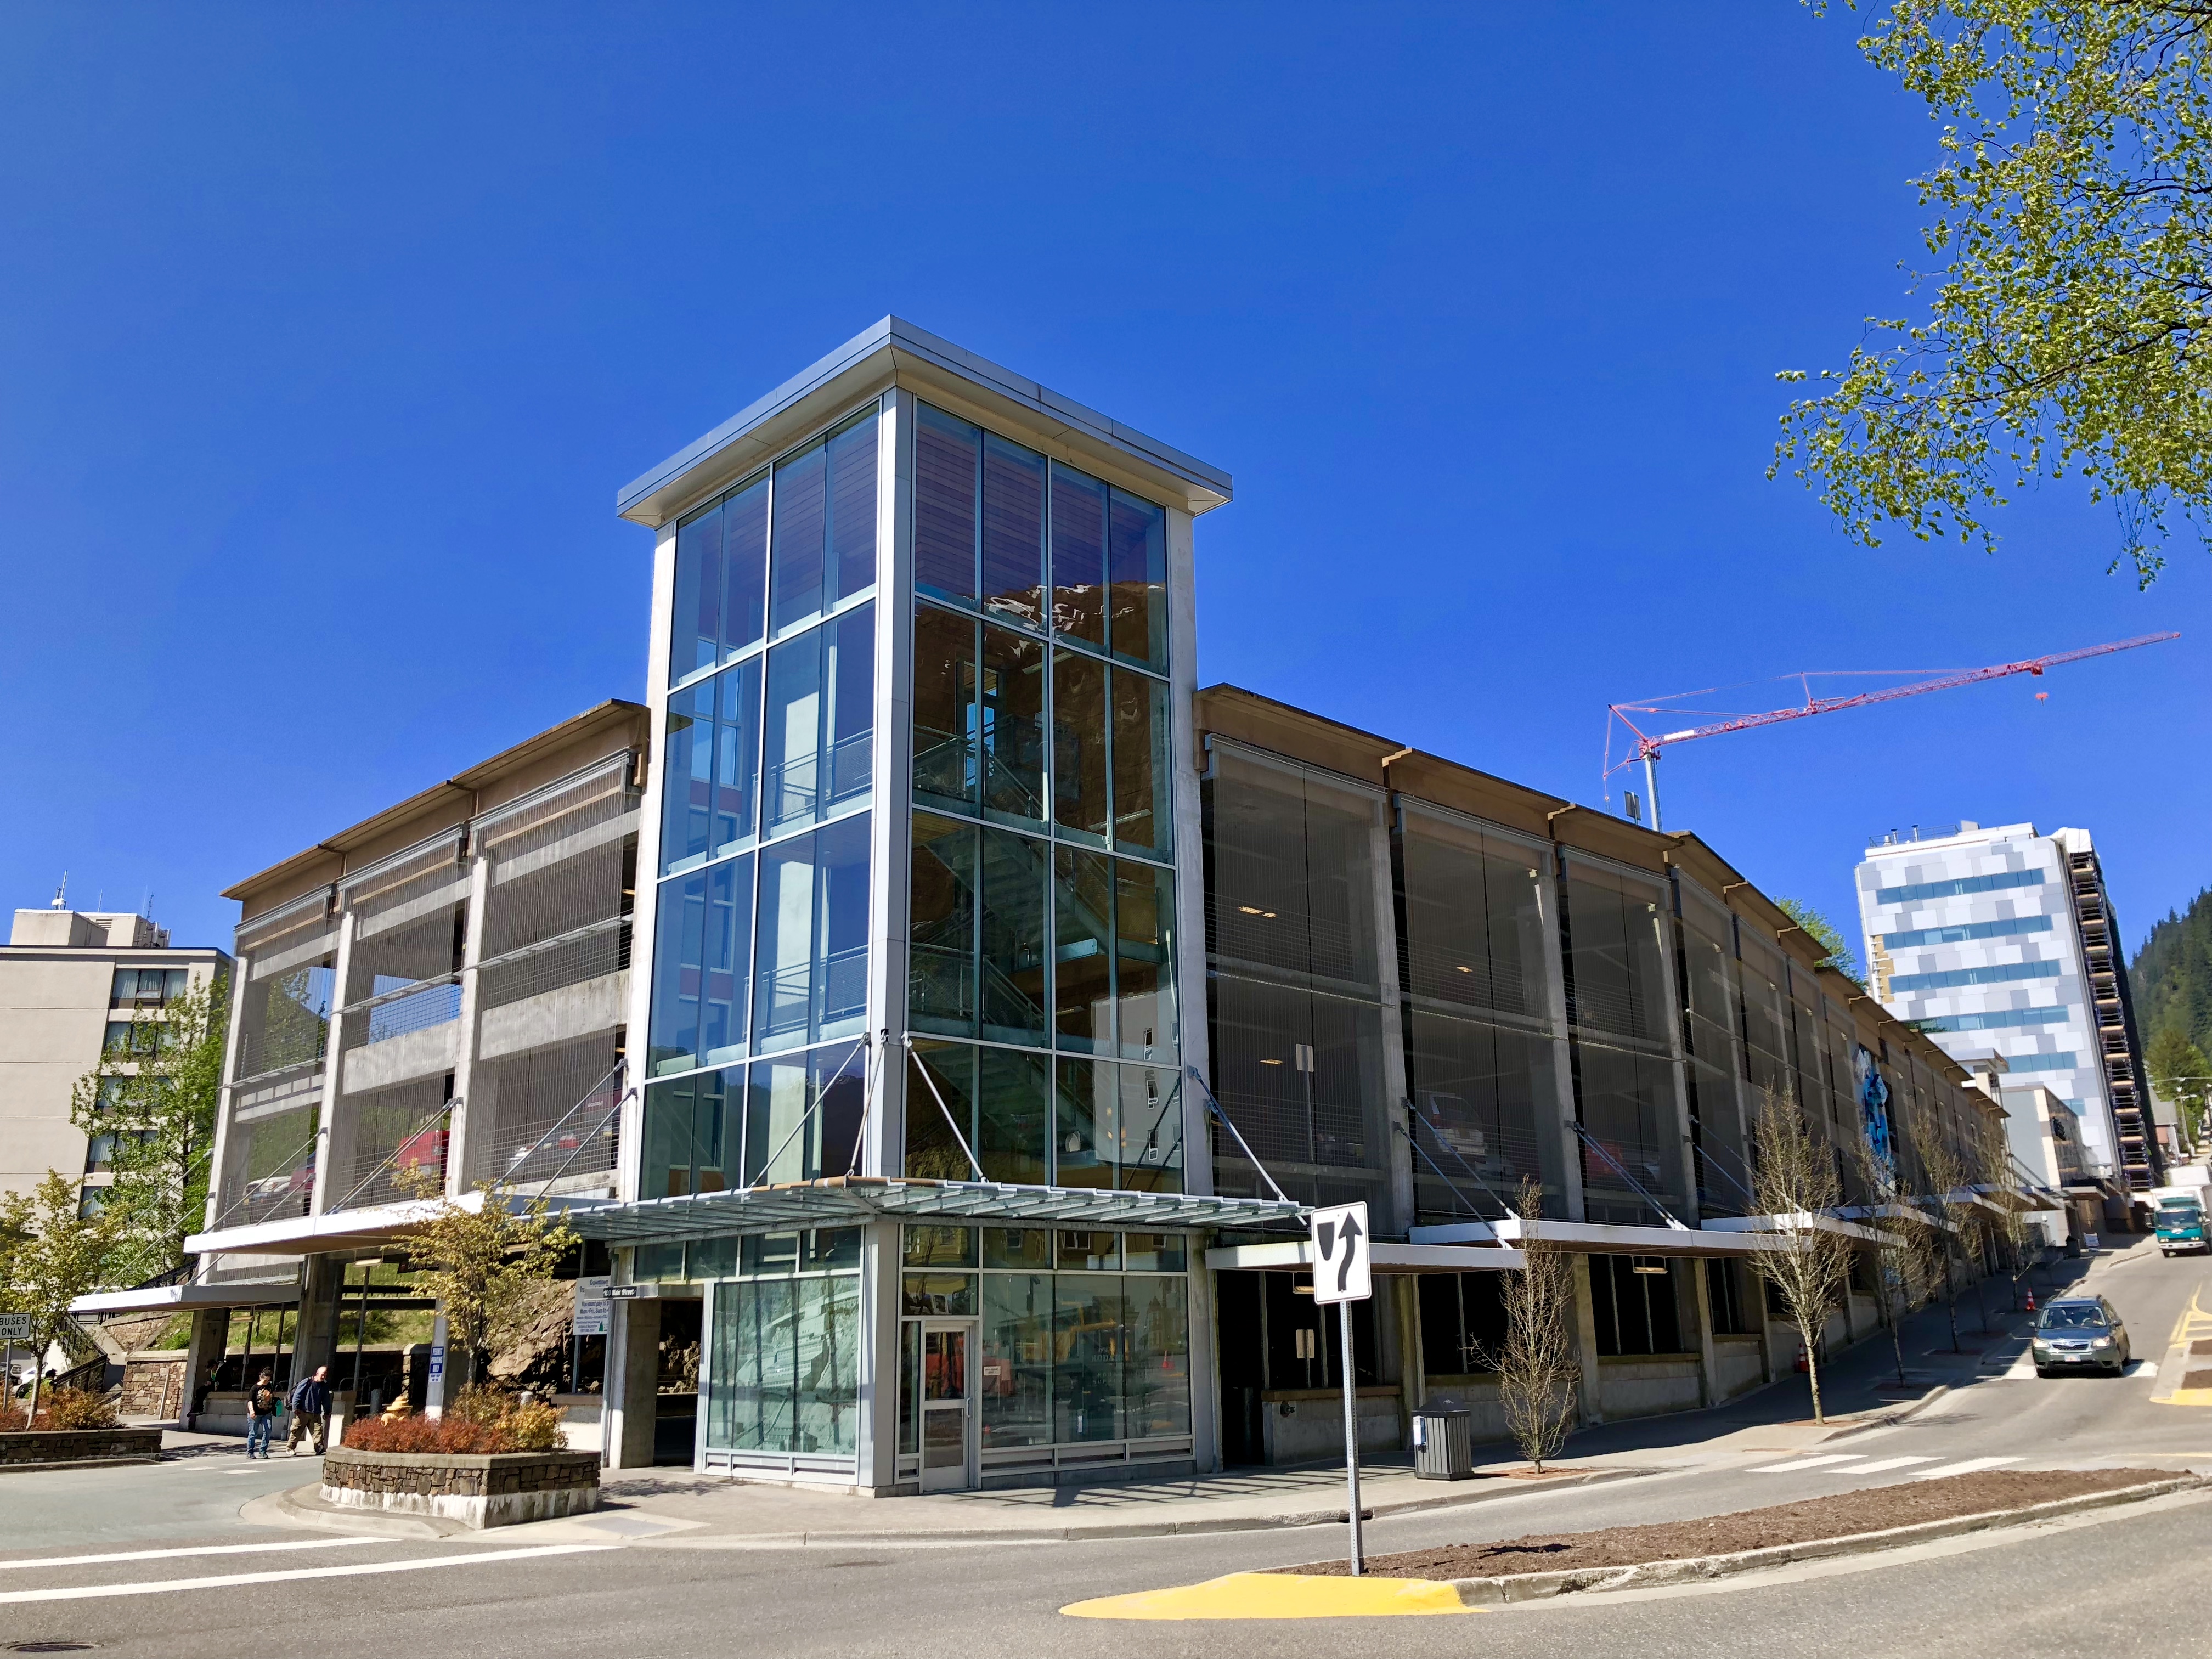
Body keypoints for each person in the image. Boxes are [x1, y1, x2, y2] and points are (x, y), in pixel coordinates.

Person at [286, 1364, 331, 1456]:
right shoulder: (307, 1382)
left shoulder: (324, 1386)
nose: (324, 1376)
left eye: (325, 1375)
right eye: (323, 1374)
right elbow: (297, 1395)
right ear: (317, 1373)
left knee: (318, 1431)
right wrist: (295, 1407)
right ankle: (290, 1448)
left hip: (316, 1413)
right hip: (303, 1412)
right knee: (297, 1431)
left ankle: (319, 1448)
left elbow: (326, 1400)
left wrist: (327, 1412)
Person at [245, 1369, 278, 1459]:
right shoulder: (254, 1388)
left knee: (268, 1430)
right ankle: (250, 1452)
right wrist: (252, 1412)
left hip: (266, 1413)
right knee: (253, 1433)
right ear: (261, 1378)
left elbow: (273, 1396)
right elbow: (250, 1401)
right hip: (255, 1413)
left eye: (268, 1380)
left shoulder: (270, 1386)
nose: (267, 1382)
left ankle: (263, 1451)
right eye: (265, 1380)